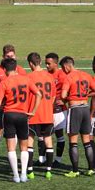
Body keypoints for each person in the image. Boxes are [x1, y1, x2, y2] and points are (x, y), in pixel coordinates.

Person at [0, 58, 42, 183]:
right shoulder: (26, 79)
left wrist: (5, 102)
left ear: (4, 70)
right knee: (24, 147)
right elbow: (39, 94)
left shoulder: (4, 82)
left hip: (9, 114)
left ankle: (15, 176)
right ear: (16, 68)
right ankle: (24, 175)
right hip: (23, 115)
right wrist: (33, 110)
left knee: (11, 147)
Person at [60, 56, 95, 178]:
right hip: (85, 108)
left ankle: (75, 170)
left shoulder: (69, 77)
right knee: (87, 141)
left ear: (67, 65)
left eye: (63, 68)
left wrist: (67, 99)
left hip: (75, 109)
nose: (63, 70)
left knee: (73, 142)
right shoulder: (86, 75)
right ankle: (91, 168)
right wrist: (86, 95)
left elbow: (63, 95)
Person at [0, 44, 27, 164]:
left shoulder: (20, 70)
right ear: (3, 56)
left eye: (12, 55)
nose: (10, 57)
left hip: (16, 106)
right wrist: (1, 93)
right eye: (7, 56)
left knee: (15, 131)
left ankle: (14, 156)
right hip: (1, 105)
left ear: (15, 55)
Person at [26, 52, 56, 180]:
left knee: (30, 142)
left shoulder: (29, 77)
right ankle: (48, 170)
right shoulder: (49, 76)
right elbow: (54, 96)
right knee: (48, 141)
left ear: (31, 63)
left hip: (34, 114)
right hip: (47, 114)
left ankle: (30, 171)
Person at [45, 52, 68, 167]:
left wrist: (65, 100)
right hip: (46, 109)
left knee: (59, 135)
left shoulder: (62, 75)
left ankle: (58, 160)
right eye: (46, 63)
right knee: (43, 135)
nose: (47, 66)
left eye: (49, 64)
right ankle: (42, 159)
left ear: (55, 63)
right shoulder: (45, 74)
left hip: (59, 110)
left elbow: (71, 89)